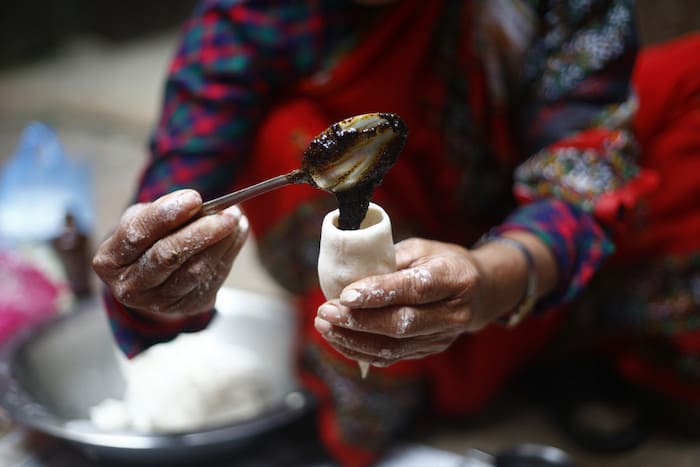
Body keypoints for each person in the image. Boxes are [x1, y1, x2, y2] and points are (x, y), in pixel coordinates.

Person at [92, 1, 700, 465]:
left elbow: (584, 171)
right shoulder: (253, 17)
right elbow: (173, 198)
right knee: (284, 131)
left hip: (518, 244)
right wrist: (157, 277)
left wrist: (491, 277)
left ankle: (547, 338)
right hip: (402, 256)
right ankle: (393, 373)